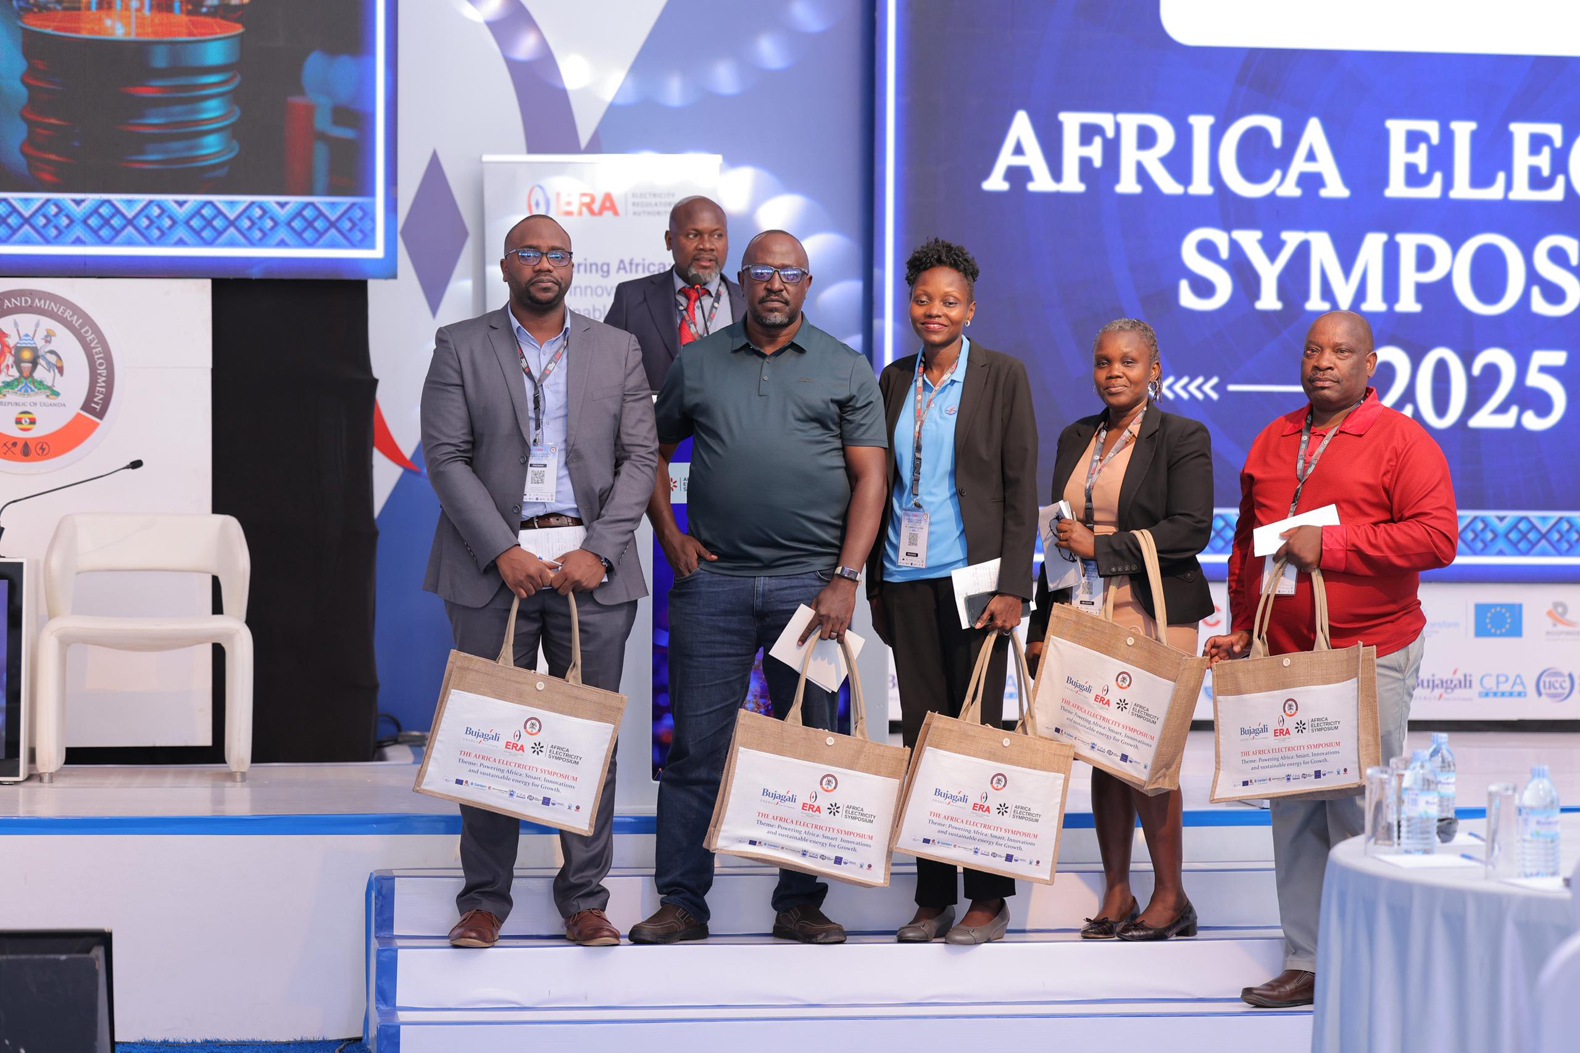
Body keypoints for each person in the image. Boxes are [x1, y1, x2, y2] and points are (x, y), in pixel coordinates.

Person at [630, 229, 889, 946]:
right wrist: (670, 536)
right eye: (762, 271)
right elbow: (650, 451)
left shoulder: (844, 366)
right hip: (712, 585)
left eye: (790, 273)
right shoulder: (698, 361)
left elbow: (871, 478)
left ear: (807, 284)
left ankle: (799, 903)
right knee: (695, 751)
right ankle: (683, 902)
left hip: (811, 591)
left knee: (809, 747)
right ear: (740, 281)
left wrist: (845, 578)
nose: (775, 283)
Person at [1204, 310, 1457, 1008]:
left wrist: (1335, 544)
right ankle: (1308, 961)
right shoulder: (1273, 437)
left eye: (1341, 352)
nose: (1323, 362)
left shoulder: (1402, 439)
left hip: (1370, 652)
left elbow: (1437, 538)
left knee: (1359, 810)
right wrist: (1243, 625)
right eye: (1313, 350)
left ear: (1369, 365)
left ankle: (1376, 965)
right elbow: (1249, 543)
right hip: (1283, 657)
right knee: (1292, 813)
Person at [420, 214, 658, 949]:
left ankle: (585, 899)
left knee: (589, 738)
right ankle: (484, 900)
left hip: (591, 571)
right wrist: (501, 548)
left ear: (572, 265)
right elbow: (446, 457)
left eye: (557, 253)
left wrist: (601, 550)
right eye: (530, 252)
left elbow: (640, 460)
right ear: (506, 265)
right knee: (489, 736)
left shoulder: (617, 348)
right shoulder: (460, 344)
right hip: (495, 569)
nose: (544, 264)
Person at [866, 238, 1038, 945]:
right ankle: (933, 894)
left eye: (949, 300)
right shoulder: (892, 378)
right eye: (922, 298)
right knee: (922, 740)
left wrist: (1014, 585)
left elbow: (1021, 487)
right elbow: (878, 484)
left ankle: (989, 897)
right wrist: (874, 583)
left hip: (976, 583)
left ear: (971, 309)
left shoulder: (1002, 375)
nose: (933, 310)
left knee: (976, 738)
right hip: (904, 579)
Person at [1025, 318, 1213, 943]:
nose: (1114, 373)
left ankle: (1171, 897)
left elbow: (1191, 527)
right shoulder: (1076, 436)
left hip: (1151, 610)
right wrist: (1042, 623)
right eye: (1104, 362)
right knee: (1101, 754)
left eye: (1129, 362)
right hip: (1082, 612)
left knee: (1148, 757)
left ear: (1153, 369)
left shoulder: (1182, 436)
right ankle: (1117, 891)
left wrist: (1103, 546)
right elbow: (1056, 535)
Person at [605, 195, 745, 391]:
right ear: (669, 240)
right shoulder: (631, 298)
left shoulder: (748, 302)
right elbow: (605, 372)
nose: (707, 245)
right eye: (693, 235)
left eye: (717, 235)